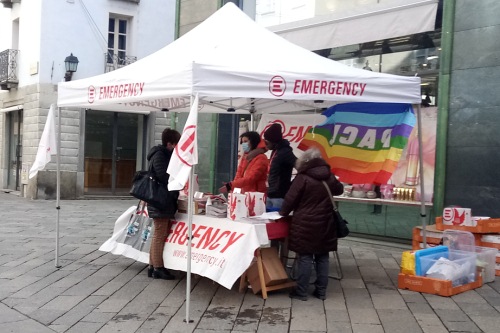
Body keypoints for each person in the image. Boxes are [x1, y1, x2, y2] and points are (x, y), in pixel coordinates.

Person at [279, 148, 344, 301]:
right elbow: (339, 190)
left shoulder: (302, 178)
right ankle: (321, 292)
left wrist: (283, 213)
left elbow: (290, 199)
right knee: (323, 256)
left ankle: (301, 292)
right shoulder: (329, 176)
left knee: (305, 256)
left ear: (305, 161)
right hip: (326, 223)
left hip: (305, 223)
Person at [147, 128, 181, 280]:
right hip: (160, 200)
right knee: (159, 235)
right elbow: (163, 176)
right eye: (176, 144)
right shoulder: (161, 155)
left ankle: (152, 266)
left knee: (158, 234)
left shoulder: (163, 154)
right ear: (169, 144)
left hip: (162, 200)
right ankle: (158, 268)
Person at [263, 123, 297, 210]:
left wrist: (291, 184)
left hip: (279, 194)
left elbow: (300, 166)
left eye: (266, 142)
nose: (265, 144)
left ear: (273, 141)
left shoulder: (285, 152)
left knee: (277, 221)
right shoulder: (275, 151)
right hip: (271, 193)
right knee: (268, 221)